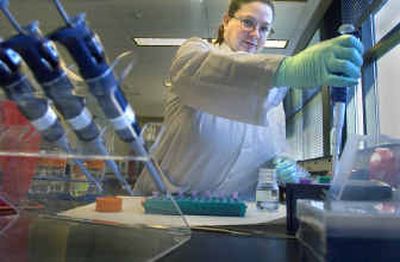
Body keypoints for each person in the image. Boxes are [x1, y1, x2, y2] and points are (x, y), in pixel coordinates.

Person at [134, 0, 364, 199]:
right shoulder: (196, 54)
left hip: (239, 215)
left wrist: (283, 166)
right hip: (169, 206)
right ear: (226, 21)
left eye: (265, 28)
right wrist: (286, 70)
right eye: (248, 23)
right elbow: (199, 72)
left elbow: (275, 150)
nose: (256, 34)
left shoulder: (271, 92)